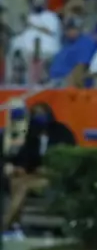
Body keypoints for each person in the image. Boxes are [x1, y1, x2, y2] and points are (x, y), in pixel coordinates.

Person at [3, 101, 76, 235]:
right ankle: (15, 226)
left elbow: (70, 157)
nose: (39, 117)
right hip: (34, 176)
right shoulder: (31, 135)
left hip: (54, 177)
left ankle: (5, 225)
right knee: (16, 182)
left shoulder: (62, 132)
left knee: (23, 186)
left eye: (42, 114)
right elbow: (23, 158)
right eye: (35, 114)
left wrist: (51, 169)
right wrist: (20, 167)